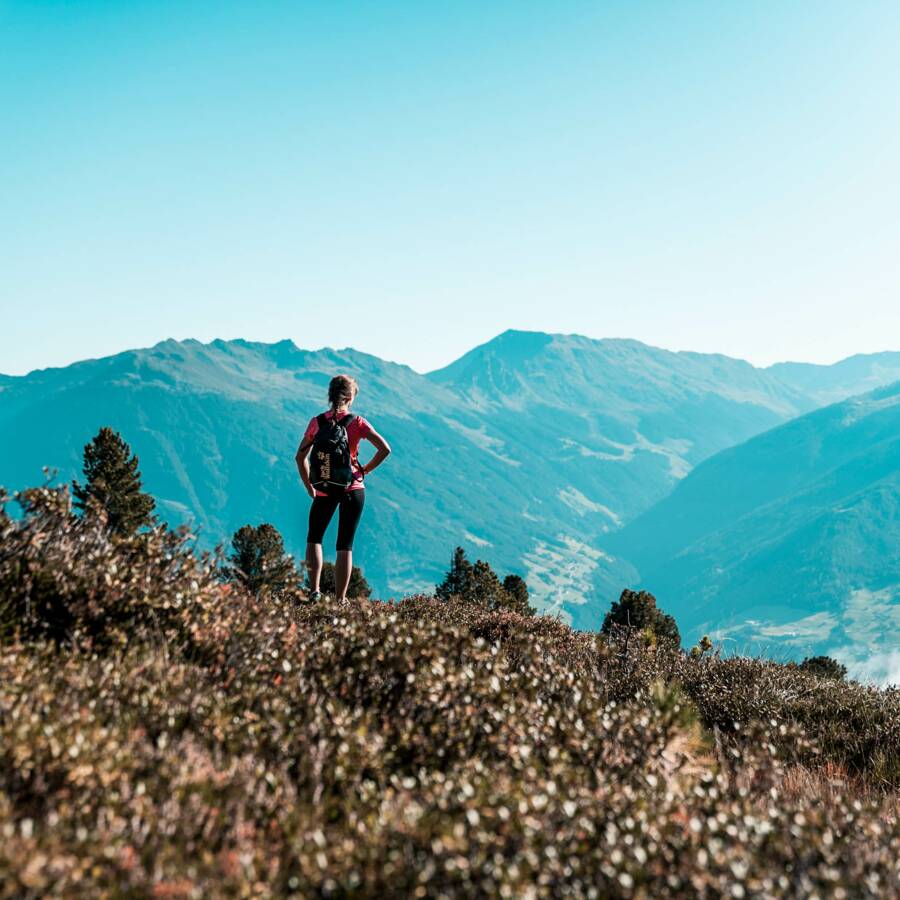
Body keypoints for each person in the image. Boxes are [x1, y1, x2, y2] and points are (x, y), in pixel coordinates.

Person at [295, 374, 391, 601]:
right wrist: (364, 470)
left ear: (330, 396)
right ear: (349, 397)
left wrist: (311, 487)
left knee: (314, 538)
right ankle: (340, 600)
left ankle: (314, 592)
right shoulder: (357, 422)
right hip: (352, 487)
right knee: (344, 545)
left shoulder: (317, 423)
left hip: (325, 487)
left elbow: (300, 457)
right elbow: (385, 449)